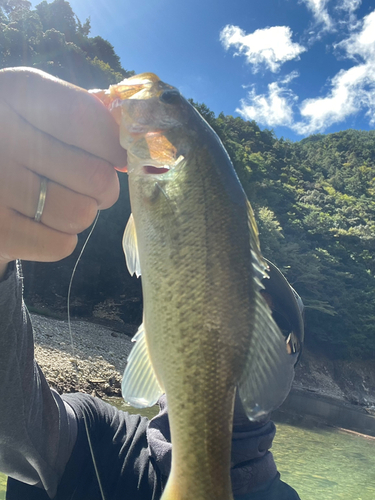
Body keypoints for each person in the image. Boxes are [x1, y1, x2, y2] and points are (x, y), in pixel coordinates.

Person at [0, 67, 303, 500]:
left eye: (269, 328)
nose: (229, 326)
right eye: (246, 305)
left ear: (281, 365)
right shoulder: (94, 437)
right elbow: (9, 422)